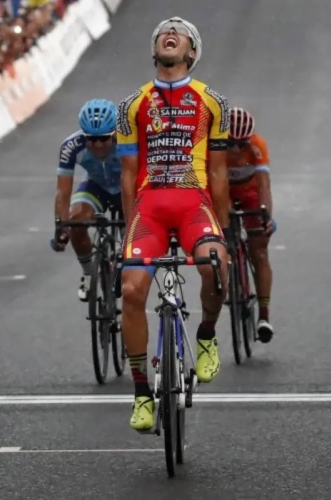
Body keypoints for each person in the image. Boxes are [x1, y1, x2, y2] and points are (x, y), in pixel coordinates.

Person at [115, 16, 230, 431]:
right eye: (164, 31)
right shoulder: (132, 105)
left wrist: (225, 225)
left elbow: (217, 174)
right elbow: (128, 176)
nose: (170, 32)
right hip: (149, 210)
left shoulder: (212, 102)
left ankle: (206, 334)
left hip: (193, 203)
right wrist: (131, 229)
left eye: (180, 32)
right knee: (131, 288)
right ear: (155, 49)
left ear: (191, 52)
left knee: (215, 266)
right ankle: (143, 392)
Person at [51, 99, 123, 300]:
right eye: (91, 139)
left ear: (115, 133)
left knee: (134, 237)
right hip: (96, 186)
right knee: (76, 221)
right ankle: (89, 273)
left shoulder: (129, 141)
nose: (97, 145)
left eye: (103, 139)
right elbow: (63, 192)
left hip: (126, 187)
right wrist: (60, 226)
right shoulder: (71, 146)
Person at [227, 107, 277, 342]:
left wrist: (266, 216)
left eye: (241, 144)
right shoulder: (213, 144)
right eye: (231, 143)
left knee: (260, 250)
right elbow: (207, 181)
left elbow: (264, 185)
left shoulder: (257, 145)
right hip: (223, 190)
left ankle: (264, 315)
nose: (236, 149)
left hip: (250, 193)